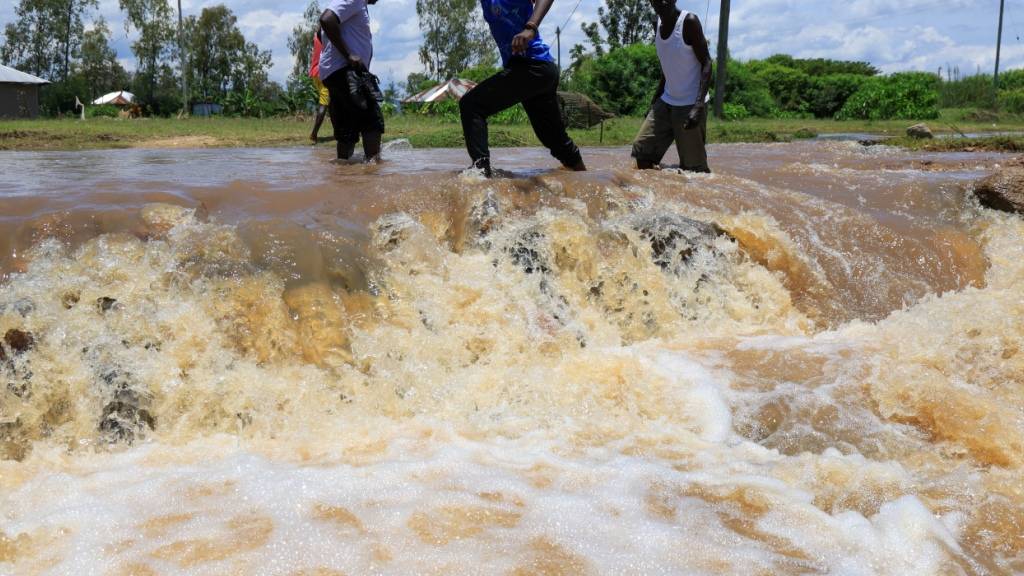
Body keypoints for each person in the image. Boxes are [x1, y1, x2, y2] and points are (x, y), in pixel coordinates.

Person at [460, 0, 586, 177]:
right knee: (554, 140)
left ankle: (480, 174)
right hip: (533, 71)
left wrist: (531, 27)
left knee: (471, 105)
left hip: (533, 66)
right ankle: (587, 180)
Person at [631, 0, 712, 173]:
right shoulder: (656, 24)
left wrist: (698, 105)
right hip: (666, 102)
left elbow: (707, 62)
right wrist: (654, 102)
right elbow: (667, 68)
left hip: (690, 104)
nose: (661, 1)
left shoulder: (689, 22)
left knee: (695, 172)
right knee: (642, 153)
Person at [319, 0, 383, 161]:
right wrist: (349, 54)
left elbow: (319, 31)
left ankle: (343, 173)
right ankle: (373, 172)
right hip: (347, 71)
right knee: (372, 122)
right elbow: (326, 20)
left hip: (335, 73)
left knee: (346, 129)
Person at [308, 27, 331, 144]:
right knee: (324, 104)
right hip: (323, 74)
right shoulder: (327, 39)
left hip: (314, 73)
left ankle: (339, 131)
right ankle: (314, 134)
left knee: (331, 102)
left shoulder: (316, 36)